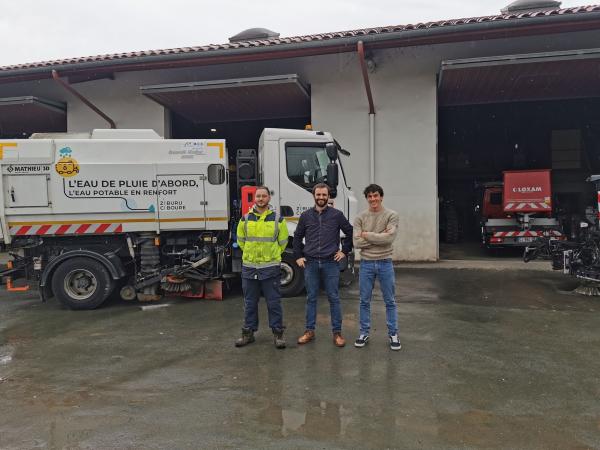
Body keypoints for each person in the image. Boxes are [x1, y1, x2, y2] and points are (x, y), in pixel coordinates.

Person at [294, 183, 353, 347]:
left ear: (328, 196)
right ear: (314, 195)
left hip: (330, 263)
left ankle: (337, 333)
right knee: (311, 298)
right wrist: (298, 256)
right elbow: (297, 237)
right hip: (311, 263)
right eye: (318, 194)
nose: (321, 197)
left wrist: (344, 251)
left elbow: (350, 232)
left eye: (324, 195)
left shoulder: (337, 215)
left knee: (334, 298)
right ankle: (309, 331)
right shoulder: (305, 216)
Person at [235, 186, 289, 349]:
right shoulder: (245, 219)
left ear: (268, 198)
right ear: (254, 198)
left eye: (263, 196)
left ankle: (278, 334)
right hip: (250, 268)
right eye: (258, 196)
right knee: (250, 303)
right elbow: (241, 241)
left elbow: (283, 243)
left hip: (270, 268)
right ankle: (248, 333)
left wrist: (271, 255)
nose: (260, 199)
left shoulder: (278, 220)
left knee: (274, 303)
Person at [353, 184, 401, 351]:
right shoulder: (360, 218)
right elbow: (356, 242)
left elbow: (389, 239)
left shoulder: (392, 215)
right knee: (364, 301)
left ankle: (393, 334)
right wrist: (380, 236)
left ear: (381, 197)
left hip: (385, 262)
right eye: (370, 196)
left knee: (390, 301)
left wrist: (366, 234)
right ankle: (363, 333)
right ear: (367, 198)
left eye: (375, 195)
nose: (373, 199)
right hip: (366, 263)